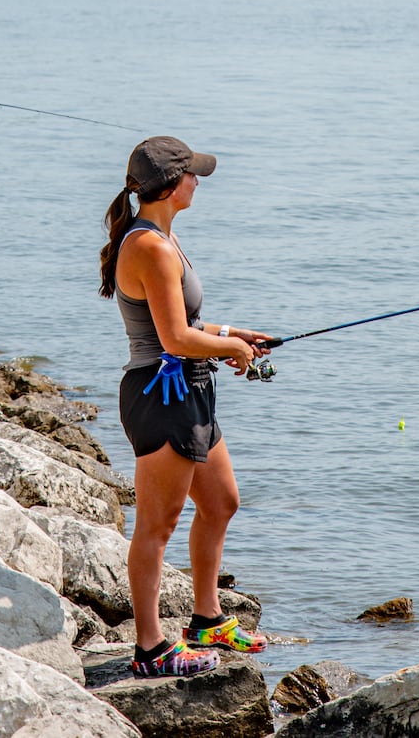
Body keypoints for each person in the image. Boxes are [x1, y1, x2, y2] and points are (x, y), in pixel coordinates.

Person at [99, 135, 275, 679]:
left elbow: (184, 326)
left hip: (189, 388)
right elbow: (174, 339)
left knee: (221, 502)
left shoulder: (162, 238)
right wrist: (232, 349)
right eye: (194, 174)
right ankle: (150, 648)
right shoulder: (148, 245)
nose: (199, 181)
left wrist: (231, 333)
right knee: (157, 525)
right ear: (173, 186)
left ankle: (206, 620)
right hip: (162, 396)